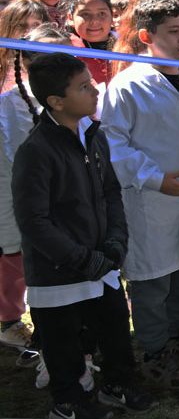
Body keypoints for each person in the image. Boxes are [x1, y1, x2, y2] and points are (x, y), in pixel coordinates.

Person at [14, 52, 153, 419]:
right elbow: (34, 221)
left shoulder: (95, 136)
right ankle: (69, 403)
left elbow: (111, 192)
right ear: (56, 102)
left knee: (115, 332)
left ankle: (117, 382)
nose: (95, 91)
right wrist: (80, 258)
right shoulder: (36, 152)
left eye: (91, 83)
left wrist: (115, 242)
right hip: (59, 274)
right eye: (83, 87)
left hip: (101, 264)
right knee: (63, 346)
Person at [101, 0, 179, 389]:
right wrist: (156, 178)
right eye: (173, 32)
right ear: (146, 35)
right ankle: (154, 350)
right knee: (152, 281)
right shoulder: (127, 86)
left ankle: (174, 338)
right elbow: (113, 145)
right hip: (151, 202)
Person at [0, 26, 70, 358]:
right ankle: (49, 349)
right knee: (42, 280)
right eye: (45, 57)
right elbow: (22, 161)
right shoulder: (11, 104)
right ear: (26, 60)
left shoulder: (81, 95)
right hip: (36, 208)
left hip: (71, 206)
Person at [63, 0, 116, 87]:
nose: (94, 21)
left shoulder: (131, 48)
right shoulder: (66, 53)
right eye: (85, 14)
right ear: (70, 18)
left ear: (112, 16)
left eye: (101, 13)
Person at [0, 0, 50, 92]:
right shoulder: (2, 63)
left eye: (36, 25)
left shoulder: (52, 62)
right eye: (21, 25)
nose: (29, 31)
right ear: (8, 27)